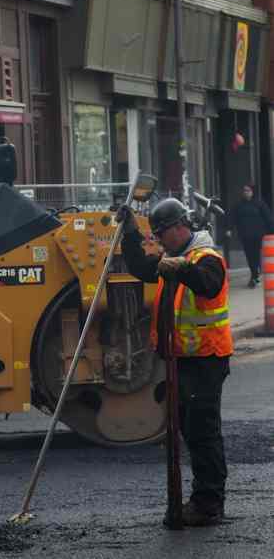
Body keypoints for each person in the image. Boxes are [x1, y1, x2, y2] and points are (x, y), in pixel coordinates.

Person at [119, 198, 232, 527]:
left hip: (206, 360)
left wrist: (182, 269)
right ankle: (202, 499)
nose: (158, 240)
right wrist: (129, 233)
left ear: (178, 227)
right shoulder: (175, 257)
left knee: (202, 432)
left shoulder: (206, 258)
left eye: (160, 234)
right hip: (184, 359)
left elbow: (208, 285)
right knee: (190, 429)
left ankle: (209, 503)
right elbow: (141, 267)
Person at [230, 183, 273, 288]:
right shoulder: (239, 205)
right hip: (245, 235)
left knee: (255, 254)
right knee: (249, 255)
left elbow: (268, 218)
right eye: (244, 190)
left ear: (253, 192)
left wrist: (271, 231)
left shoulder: (259, 204)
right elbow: (232, 218)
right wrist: (229, 229)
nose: (246, 193)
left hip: (258, 235)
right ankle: (255, 273)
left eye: (248, 191)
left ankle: (254, 276)